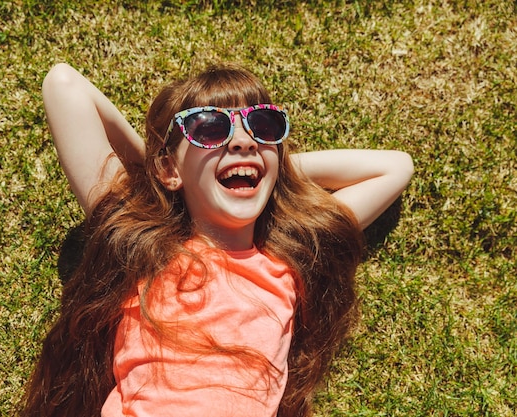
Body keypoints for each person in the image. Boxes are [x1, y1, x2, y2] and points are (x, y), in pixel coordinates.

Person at [20, 63, 414, 417]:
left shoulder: (285, 259)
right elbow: (63, 84)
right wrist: (155, 178)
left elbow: (394, 167)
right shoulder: (141, 246)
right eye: (209, 129)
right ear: (168, 168)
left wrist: (274, 171)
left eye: (263, 127)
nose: (243, 141)